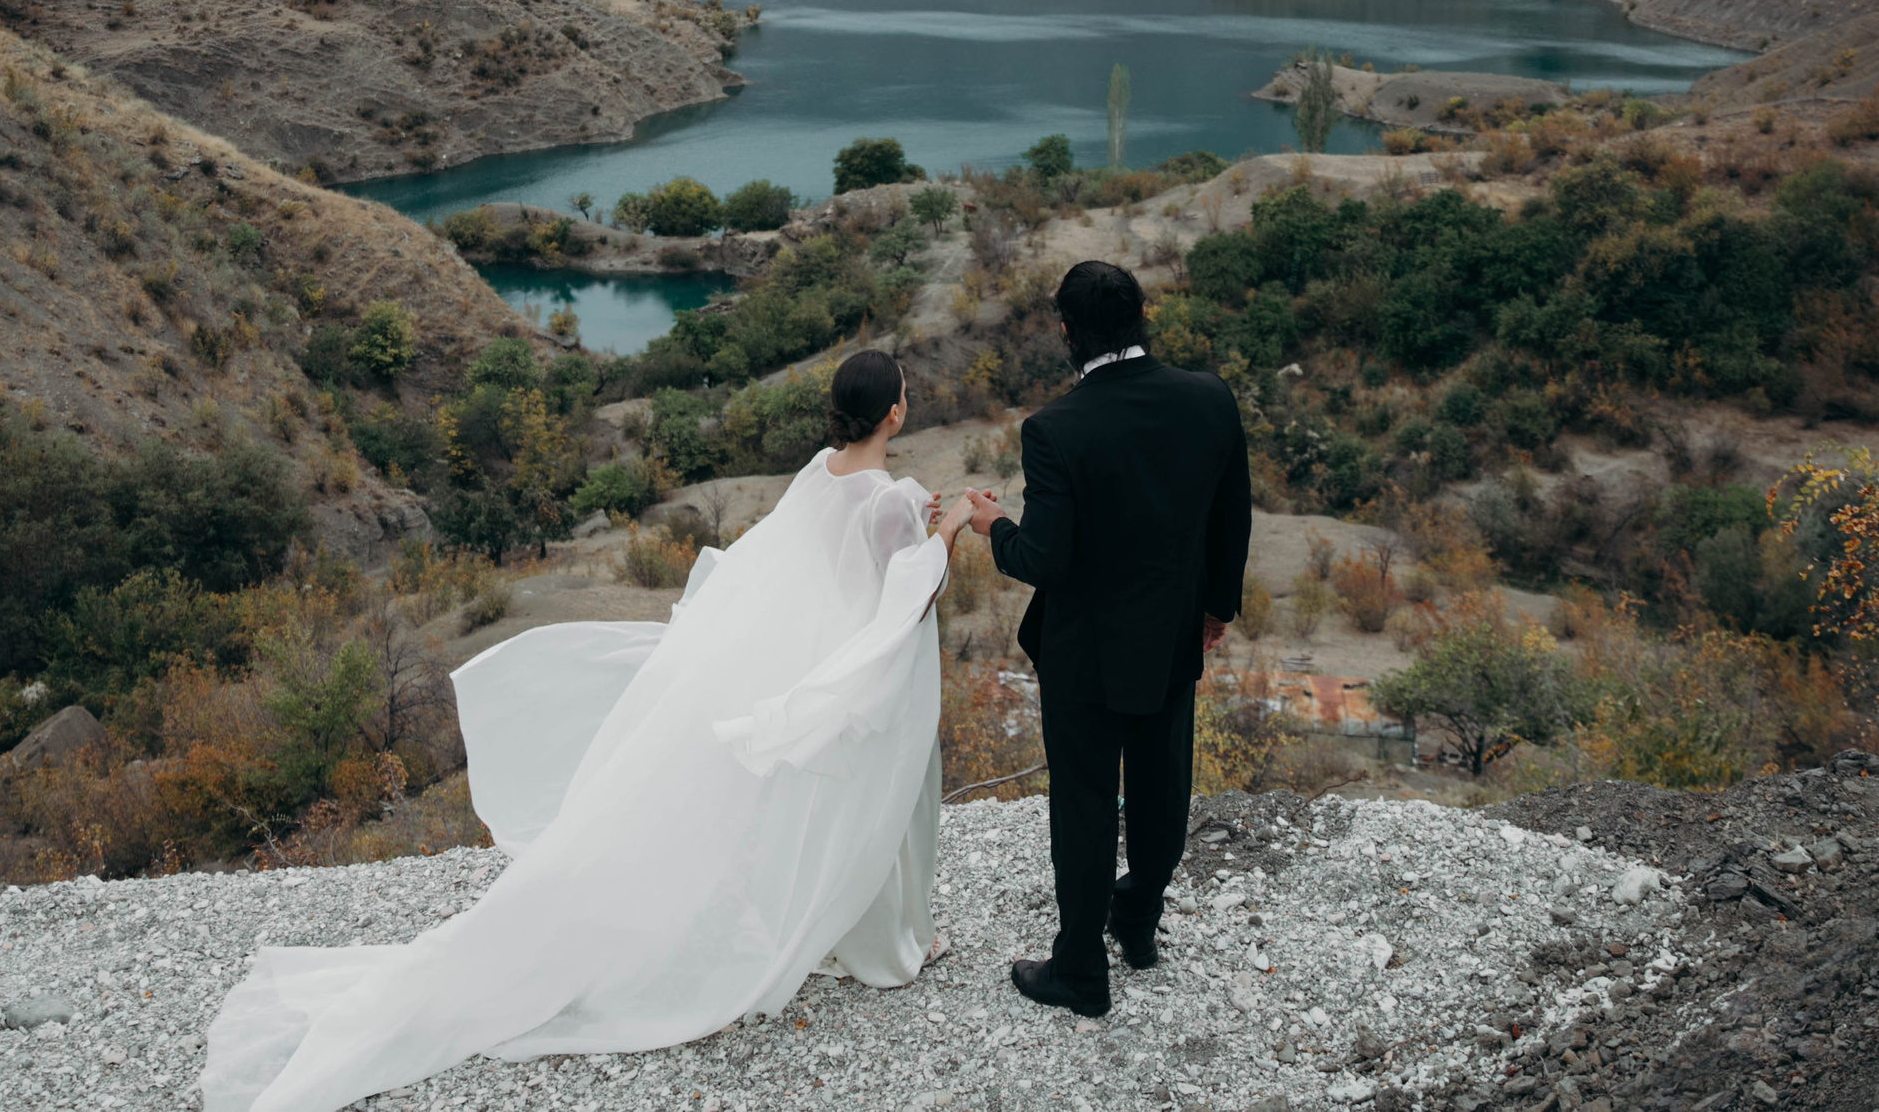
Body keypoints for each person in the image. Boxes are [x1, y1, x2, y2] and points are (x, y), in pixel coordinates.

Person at [199, 349, 970, 1112]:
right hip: (848, 669)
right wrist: (952, 526)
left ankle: (842, 929)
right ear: (895, 411)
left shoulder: (820, 471)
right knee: (876, 799)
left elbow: (813, 555)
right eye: (905, 391)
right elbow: (909, 596)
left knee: (835, 806)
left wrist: (915, 522)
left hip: (809, 655)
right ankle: (887, 944)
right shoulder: (890, 498)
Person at [948, 260, 1250, 1017]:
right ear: (1143, 313)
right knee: (1161, 787)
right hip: (1173, 635)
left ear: (1066, 331)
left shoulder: (1056, 428)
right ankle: (1138, 920)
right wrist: (1217, 608)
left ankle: (1081, 971)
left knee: (1084, 805)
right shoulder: (1209, 398)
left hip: (1083, 652)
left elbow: (1042, 558)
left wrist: (994, 524)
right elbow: (1232, 514)